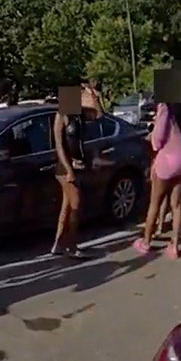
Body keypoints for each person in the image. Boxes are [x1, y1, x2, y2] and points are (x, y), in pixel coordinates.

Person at [133, 97, 181, 259]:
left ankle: (146, 242)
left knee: (155, 202)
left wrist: (151, 140)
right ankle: (174, 246)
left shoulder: (165, 107)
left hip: (167, 159)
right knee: (177, 204)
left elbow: (158, 138)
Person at [50, 82, 102, 258]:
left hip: (79, 164)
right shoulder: (61, 116)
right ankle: (71, 246)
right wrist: (69, 169)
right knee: (75, 205)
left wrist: (92, 95)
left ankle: (58, 243)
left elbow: (99, 115)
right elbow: (59, 146)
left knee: (67, 206)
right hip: (65, 168)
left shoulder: (79, 114)